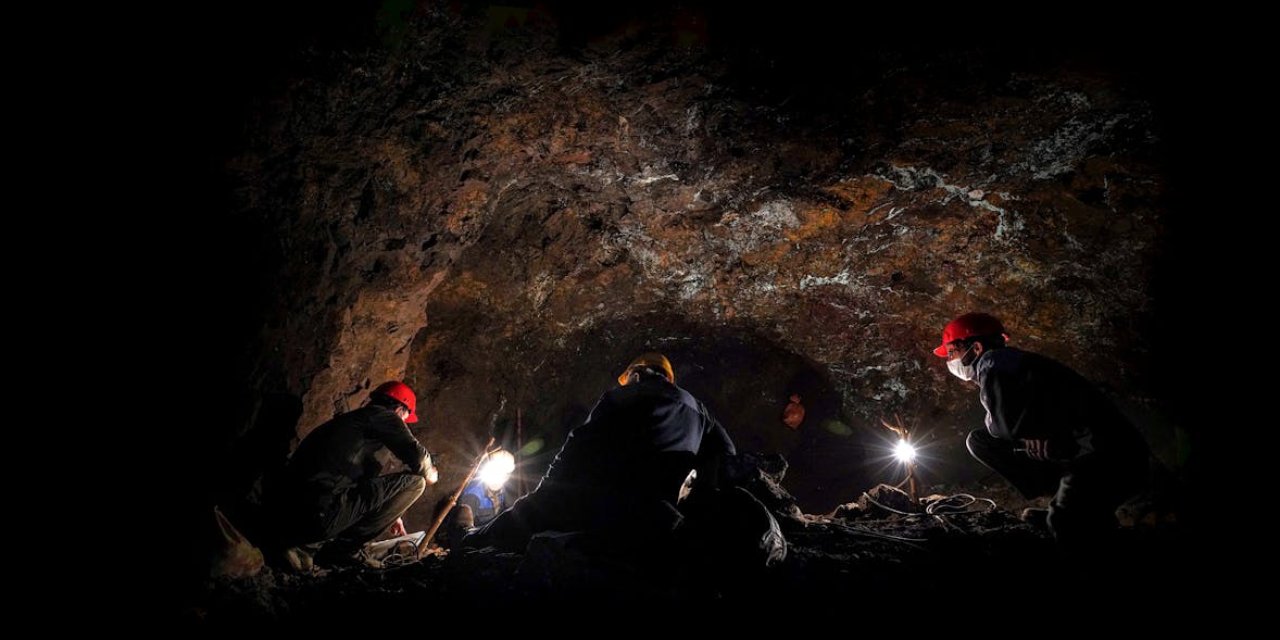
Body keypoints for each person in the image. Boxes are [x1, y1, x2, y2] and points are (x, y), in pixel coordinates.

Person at [464, 352, 735, 551]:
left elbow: (579, 444)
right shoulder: (698, 409)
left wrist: (546, 492)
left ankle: (470, 539)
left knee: (528, 511)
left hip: (612, 504)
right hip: (664, 511)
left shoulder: (623, 396)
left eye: (628, 379)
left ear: (638, 374)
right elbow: (728, 454)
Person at [935, 312, 1148, 549]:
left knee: (1064, 522)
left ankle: (1074, 519)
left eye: (952, 352)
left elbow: (1002, 426)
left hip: (1109, 458)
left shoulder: (993, 363)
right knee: (980, 441)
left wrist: (1028, 433)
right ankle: (1068, 501)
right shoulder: (1019, 366)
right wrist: (1035, 433)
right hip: (1086, 450)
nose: (949, 361)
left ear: (975, 349)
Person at [271, 380, 438, 568]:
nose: (404, 423)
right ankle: (341, 552)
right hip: (319, 516)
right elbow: (419, 459)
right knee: (416, 483)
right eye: (406, 417)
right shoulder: (383, 416)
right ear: (399, 408)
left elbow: (354, 483)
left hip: (288, 510)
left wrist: (391, 512)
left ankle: (305, 545)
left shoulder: (353, 423)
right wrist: (431, 473)